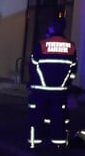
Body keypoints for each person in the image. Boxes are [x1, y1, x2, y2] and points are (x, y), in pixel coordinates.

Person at [28, 17, 78, 149]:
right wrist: (66, 83)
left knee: (38, 116)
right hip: (60, 90)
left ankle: (36, 143)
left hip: (41, 89)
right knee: (58, 117)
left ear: (51, 28)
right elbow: (73, 69)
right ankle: (59, 144)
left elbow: (33, 66)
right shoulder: (71, 46)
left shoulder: (42, 44)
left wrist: (37, 82)